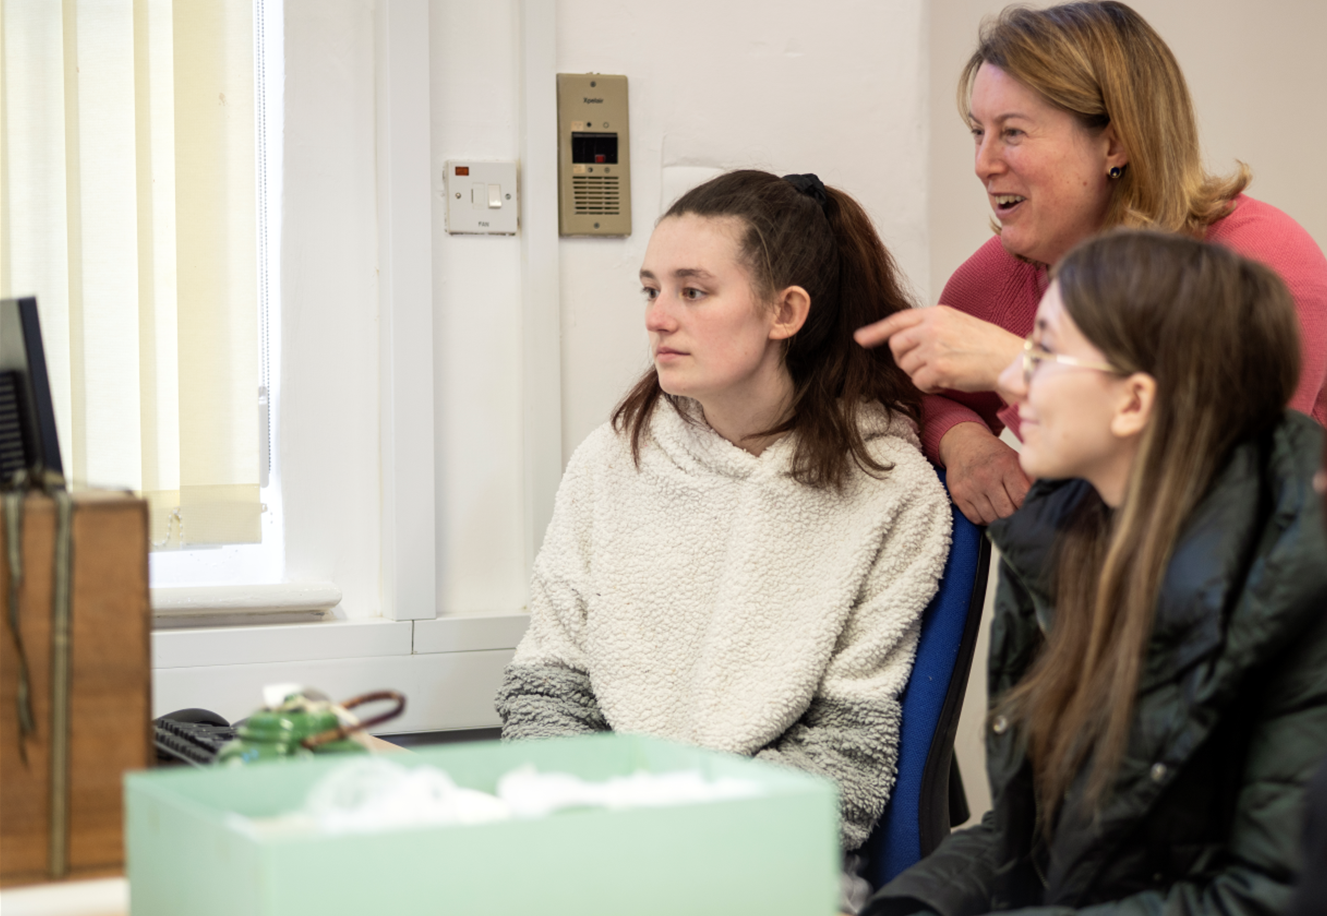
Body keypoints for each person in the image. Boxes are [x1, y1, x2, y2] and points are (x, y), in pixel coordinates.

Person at [864, 230, 1327, 916]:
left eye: (1043, 354)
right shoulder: (1065, 541)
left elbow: (1268, 897)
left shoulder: (1299, 586)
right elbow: (1034, 833)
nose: (1012, 381)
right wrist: (911, 907)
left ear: (1133, 403)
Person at [496, 170, 952, 851]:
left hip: (759, 864)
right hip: (592, 850)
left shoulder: (891, 491)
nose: (657, 316)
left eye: (693, 291)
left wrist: (679, 848)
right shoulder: (611, 459)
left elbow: (844, 762)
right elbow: (550, 685)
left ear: (784, 313)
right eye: (651, 290)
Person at [854, 0, 1327, 525]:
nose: (983, 164)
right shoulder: (1000, 277)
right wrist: (963, 441)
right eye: (977, 131)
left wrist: (1024, 368)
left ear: (1115, 143)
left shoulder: (1264, 259)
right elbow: (918, 399)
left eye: (1012, 132)